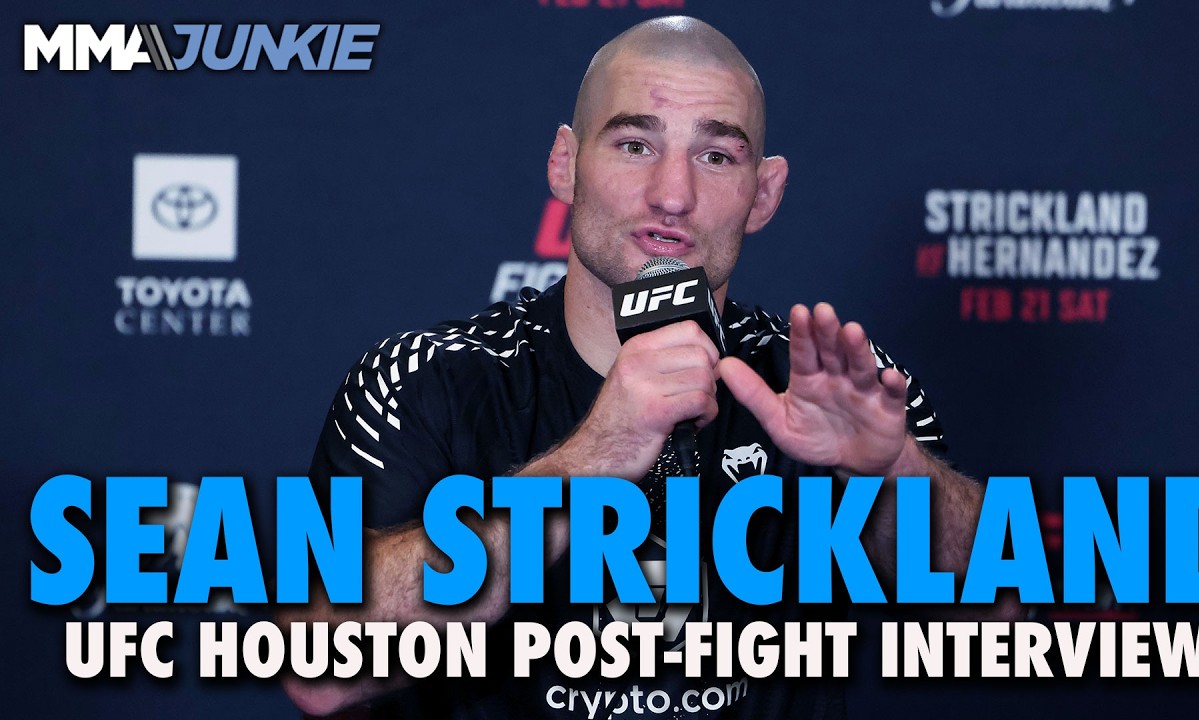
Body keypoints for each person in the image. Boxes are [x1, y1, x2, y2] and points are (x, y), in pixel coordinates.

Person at [283, 16, 1013, 719]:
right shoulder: (426, 381)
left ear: (764, 193)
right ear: (566, 163)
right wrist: (592, 460)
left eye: (716, 156)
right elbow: (314, 669)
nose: (672, 195)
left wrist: (892, 474)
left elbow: (1016, 624)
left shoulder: (829, 385)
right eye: (635, 145)